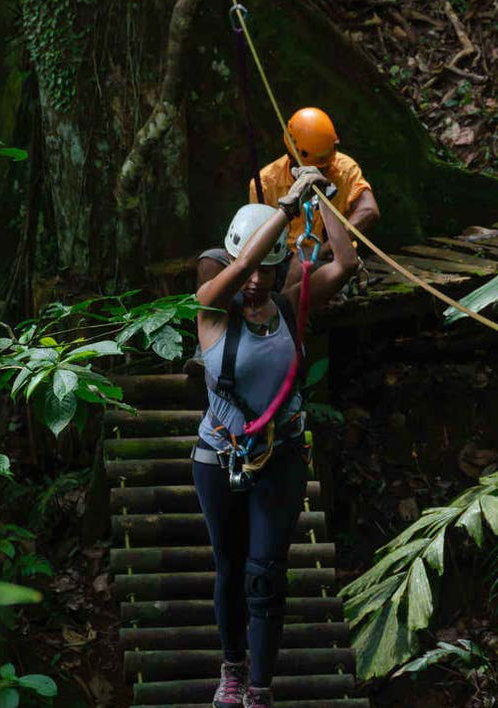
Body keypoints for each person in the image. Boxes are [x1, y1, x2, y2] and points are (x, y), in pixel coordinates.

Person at [192, 166, 357, 708]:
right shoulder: (211, 308)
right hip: (219, 455)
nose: (258, 279)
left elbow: (346, 263)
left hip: (279, 455)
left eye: (269, 268)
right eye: (251, 269)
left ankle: (258, 690)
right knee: (230, 567)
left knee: (265, 573)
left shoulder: (290, 306)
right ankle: (232, 670)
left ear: (280, 264)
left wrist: (324, 201)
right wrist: (286, 206)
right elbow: (238, 266)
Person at [197, 107, 380, 290]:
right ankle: (213, 315)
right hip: (275, 256)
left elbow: (369, 210)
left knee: (299, 265)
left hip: (322, 258)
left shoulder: (343, 168)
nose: (320, 172)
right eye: (314, 168)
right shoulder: (266, 181)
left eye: (324, 168)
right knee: (210, 261)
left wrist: (323, 249)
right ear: (292, 155)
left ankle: (283, 310)